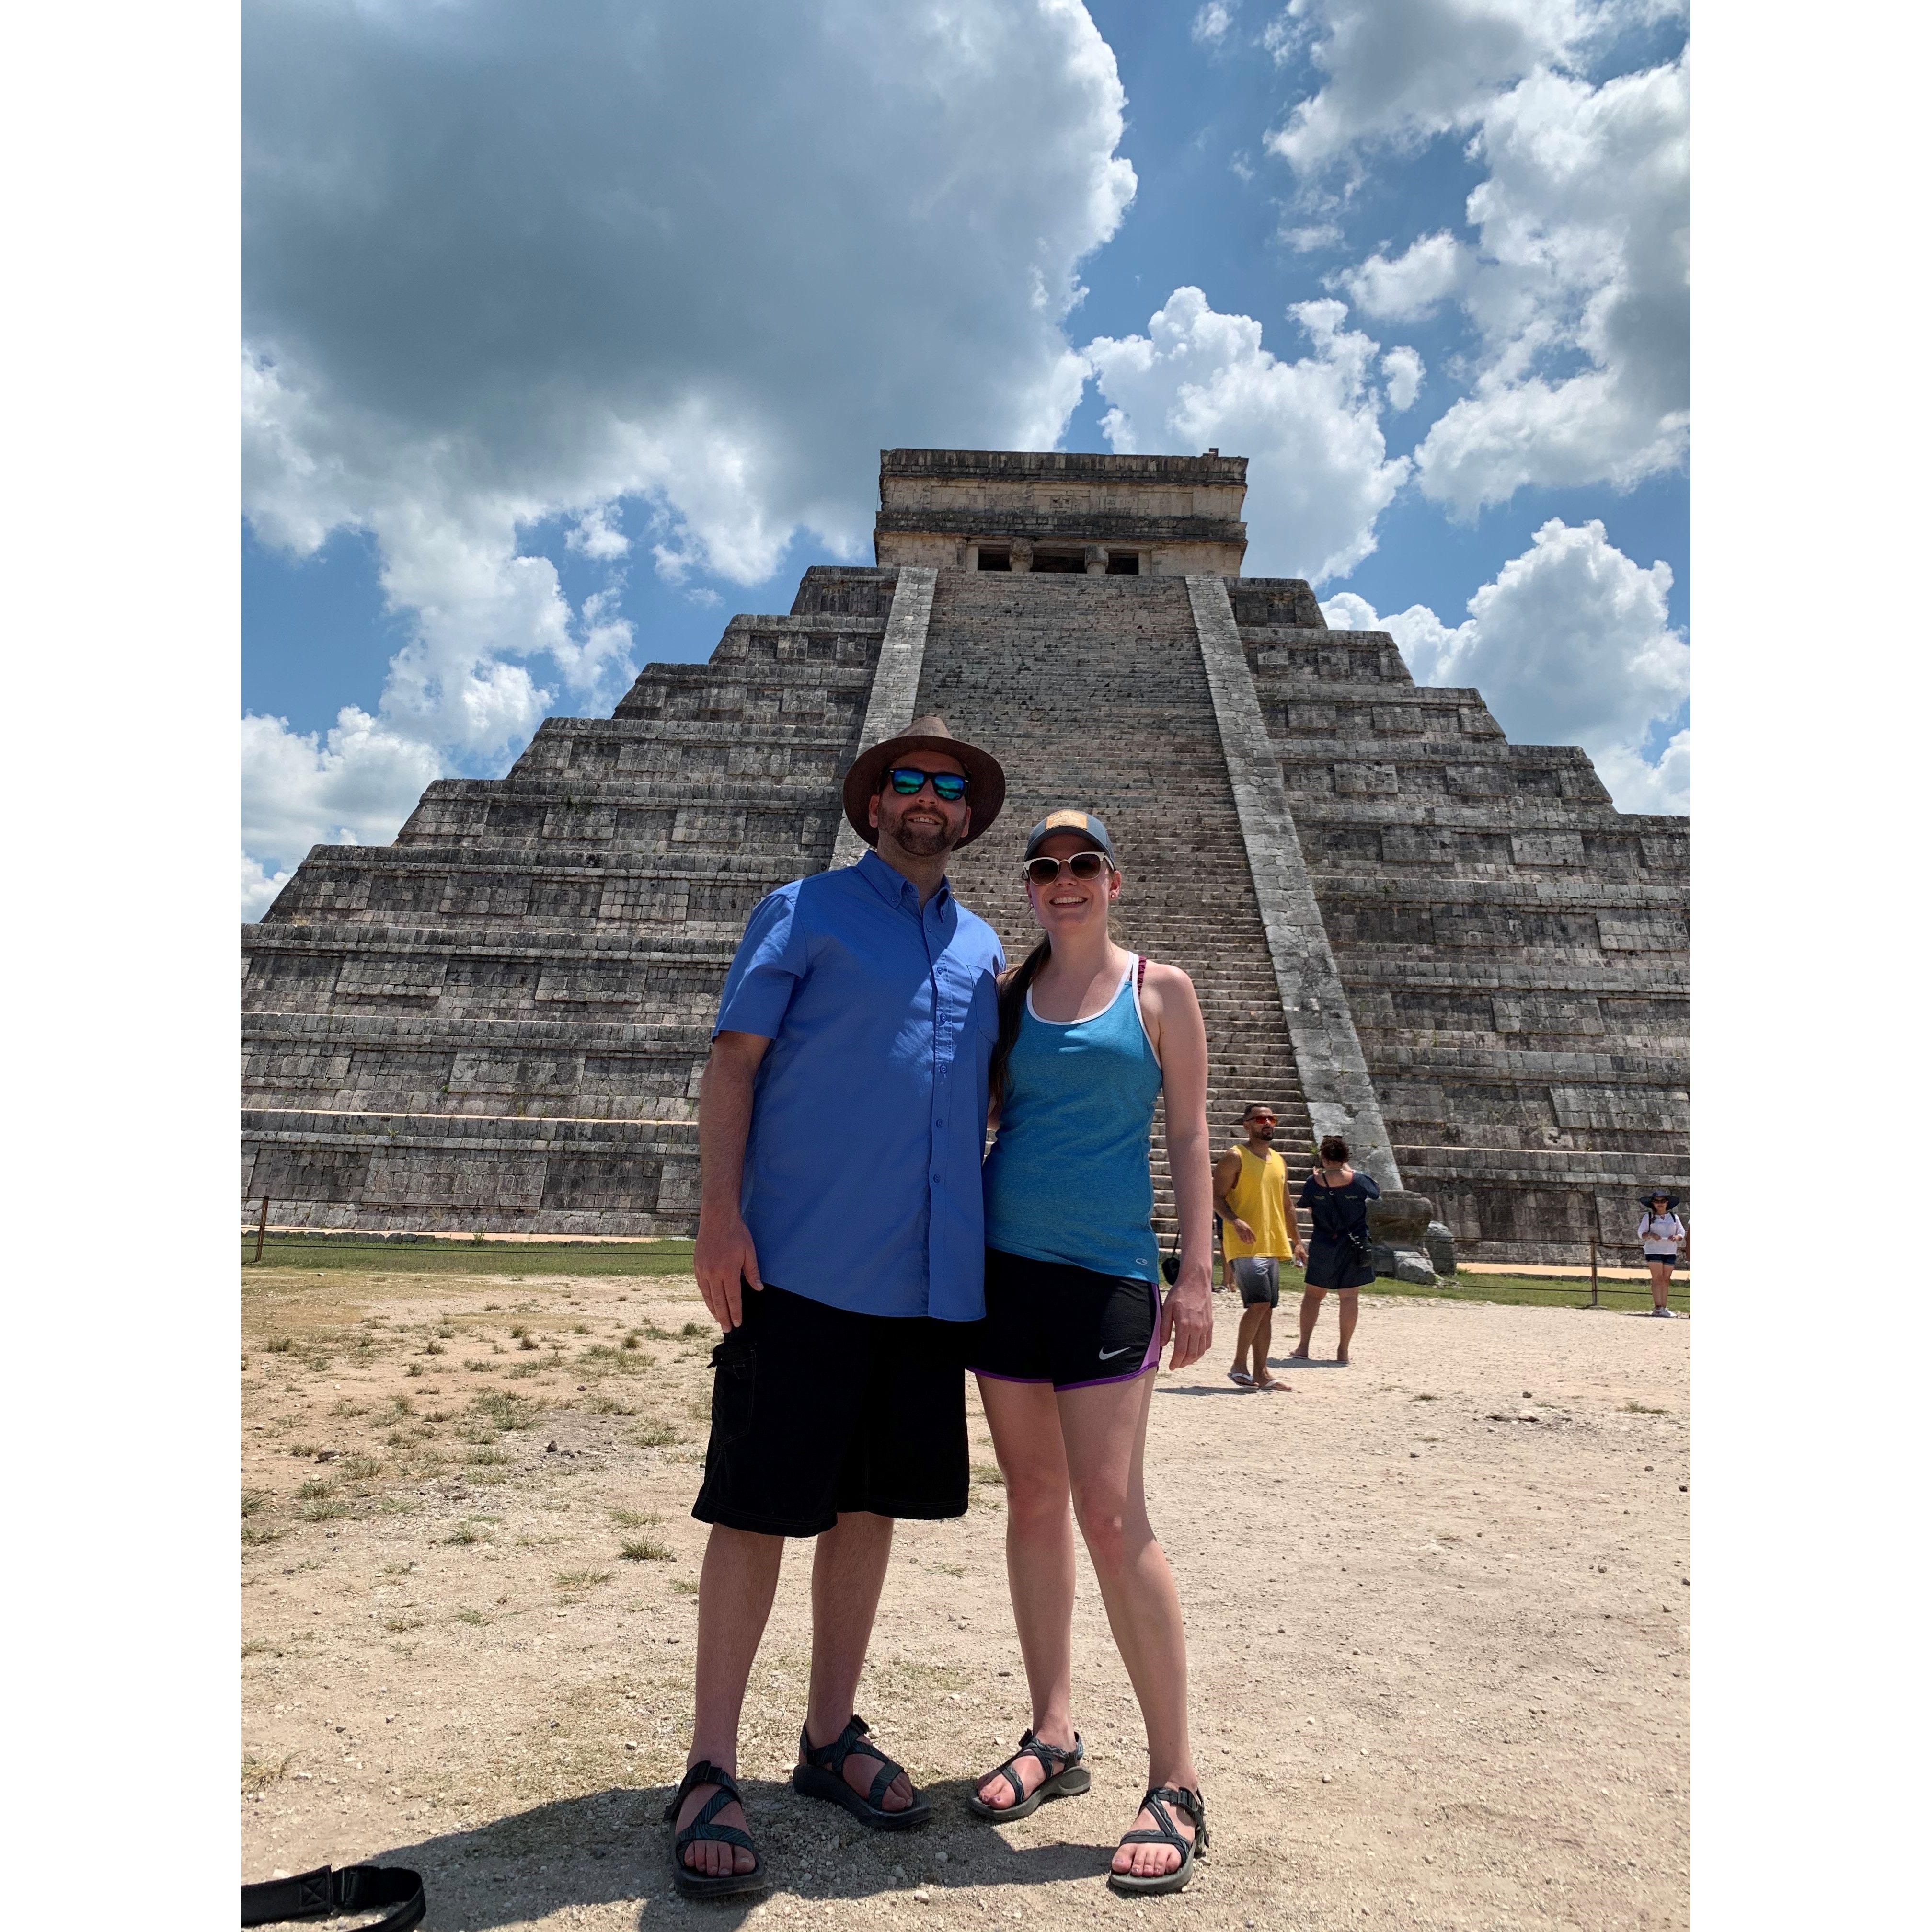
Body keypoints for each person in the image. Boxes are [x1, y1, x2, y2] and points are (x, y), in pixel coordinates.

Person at [666, 716, 1008, 1899]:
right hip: (801, 1267)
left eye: (949, 788)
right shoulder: (802, 910)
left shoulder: (982, 947)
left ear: (967, 818)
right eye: (907, 781)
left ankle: (827, 1737)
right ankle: (711, 1764)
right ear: (875, 806)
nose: (928, 800)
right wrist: (720, 1214)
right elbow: (734, 1064)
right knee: (758, 1509)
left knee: (870, 1508)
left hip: (925, 1288)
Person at [964, 809, 1216, 1897]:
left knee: (1112, 1517)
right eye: (1045, 869)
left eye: (1082, 866)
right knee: (1032, 1502)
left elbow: (1192, 1133)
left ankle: (1178, 1779)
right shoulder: (1007, 1002)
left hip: (1111, 1279)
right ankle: (1054, 1733)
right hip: (1005, 1276)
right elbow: (963, 1126)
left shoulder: (1163, 992)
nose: (1064, 883)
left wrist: (1195, 1274)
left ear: (1114, 879)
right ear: (1029, 888)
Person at [1216, 1103, 1294, 1392]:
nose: (1268, 1123)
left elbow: (1287, 1204)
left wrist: (1297, 1242)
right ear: (1246, 1124)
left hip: (1272, 1242)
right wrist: (1235, 1221)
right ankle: (1239, 1365)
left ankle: (1261, 1372)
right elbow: (1216, 1198)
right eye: (1261, 1119)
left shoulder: (1278, 1160)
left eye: (1271, 1119)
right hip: (1244, 1244)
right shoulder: (1234, 1157)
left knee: (1267, 1310)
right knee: (1259, 1304)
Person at [1287, 1136, 1380, 1368]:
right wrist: (1348, 1169)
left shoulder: (1313, 1182)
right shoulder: (1359, 1180)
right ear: (1345, 1157)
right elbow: (1376, 1192)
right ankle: (1343, 1350)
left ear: (1324, 1158)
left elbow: (1307, 1206)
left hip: (1324, 1242)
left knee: (1313, 1296)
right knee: (1349, 1297)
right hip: (1354, 1243)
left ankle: (1304, 1346)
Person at [1637, 1191, 1687, 1317]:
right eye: (1657, 1201)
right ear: (1653, 1204)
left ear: (1667, 1203)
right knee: (1657, 1278)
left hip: (1670, 1251)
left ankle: (1664, 1307)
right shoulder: (1648, 1217)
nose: (1660, 1204)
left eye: (1662, 1201)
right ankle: (1658, 1307)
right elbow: (1641, 1234)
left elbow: (1681, 1232)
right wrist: (1651, 1235)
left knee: (1666, 1279)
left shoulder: (1674, 1217)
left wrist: (1677, 1237)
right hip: (1654, 1251)